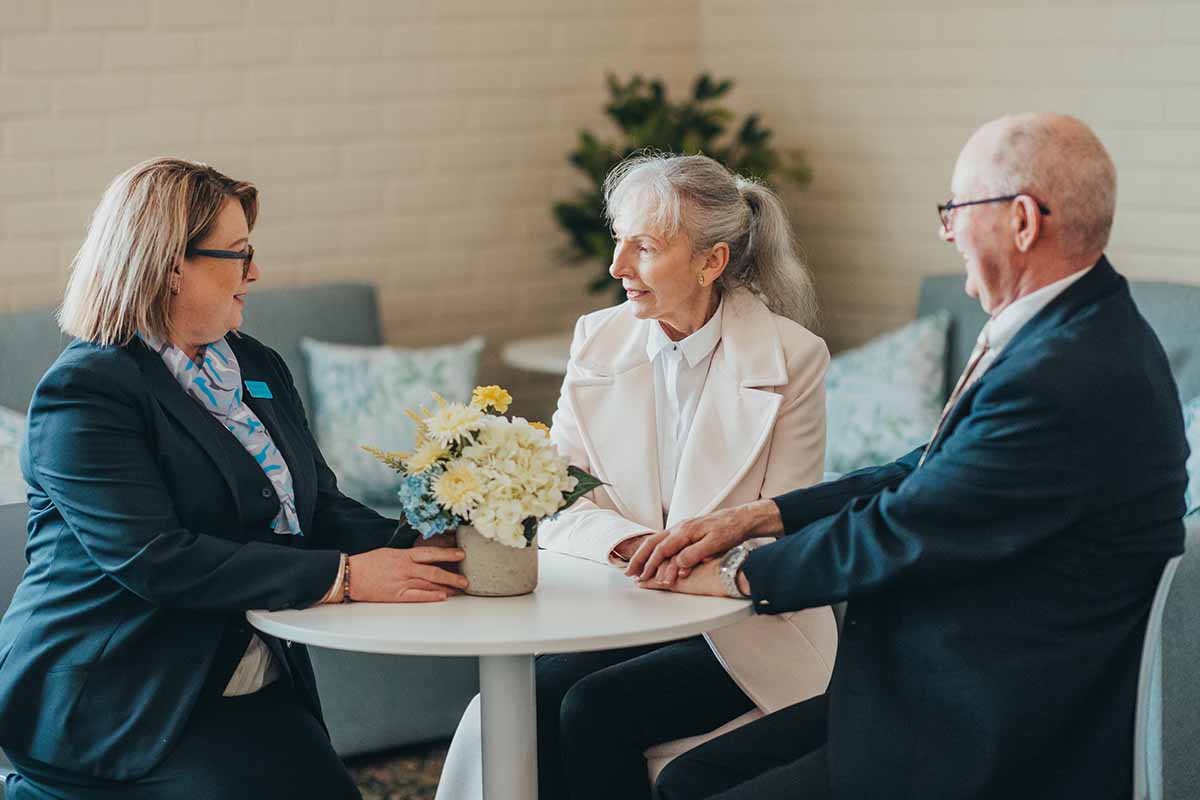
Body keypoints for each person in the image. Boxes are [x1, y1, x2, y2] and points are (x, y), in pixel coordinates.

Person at [631, 113, 1190, 800]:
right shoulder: (1070, 327)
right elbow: (928, 470)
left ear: (1021, 222)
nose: (946, 229)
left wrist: (739, 574)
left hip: (989, 723)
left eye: (957, 208)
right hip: (938, 688)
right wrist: (761, 517)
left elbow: (905, 526)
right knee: (688, 779)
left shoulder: (1067, 372)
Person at [0, 158, 469, 799]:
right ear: (170, 265)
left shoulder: (254, 363)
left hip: (241, 686)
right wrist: (347, 575)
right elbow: (156, 559)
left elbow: (315, 506)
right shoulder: (86, 391)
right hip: (116, 703)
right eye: (239, 255)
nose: (256, 273)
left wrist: (421, 542)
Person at [436, 153, 837, 800]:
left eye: (644, 247)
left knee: (595, 708)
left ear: (712, 263)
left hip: (740, 623)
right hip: (620, 601)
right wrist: (627, 547)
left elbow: (782, 526)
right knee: (527, 701)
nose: (617, 266)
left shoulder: (794, 359)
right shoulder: (597, 340)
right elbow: (558, 498)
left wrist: (677, 561)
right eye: (618, 241)